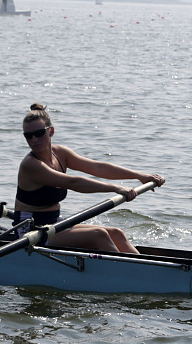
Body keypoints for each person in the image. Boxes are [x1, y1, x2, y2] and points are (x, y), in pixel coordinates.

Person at [15, 103, 164, 252]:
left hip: (53, 223)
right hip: (30, 232)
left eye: (39, 133)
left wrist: (139, 176)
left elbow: (98, 168)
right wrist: (116, 188)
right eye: (28, 136)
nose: (34, 139)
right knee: (99, 235)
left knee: (116, 233)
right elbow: (74, 183)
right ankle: (125, 267)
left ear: (51, 131)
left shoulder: (60, 153)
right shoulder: (31, 165)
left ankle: (140, 265)